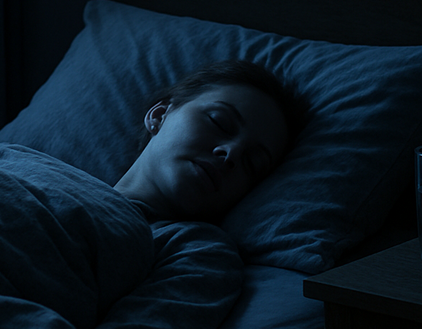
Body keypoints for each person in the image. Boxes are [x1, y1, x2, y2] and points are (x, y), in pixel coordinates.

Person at [116, 59, 303, 222]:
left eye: (252, 163)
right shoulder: (95, 193)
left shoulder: (189, 245)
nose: (232, 152)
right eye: (218, 122)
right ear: (159, 115)